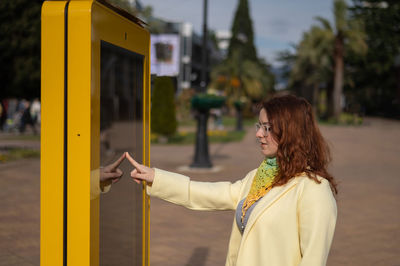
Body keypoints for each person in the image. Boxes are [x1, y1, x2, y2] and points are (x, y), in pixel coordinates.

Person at [126, 95, 338, 266]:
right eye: (259, 125)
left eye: (267, 127)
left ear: (290, 131)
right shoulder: (259, 177)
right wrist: (156, 178)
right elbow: (209, 194)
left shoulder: (314, 189)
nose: (258, 134)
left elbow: (313, 259)